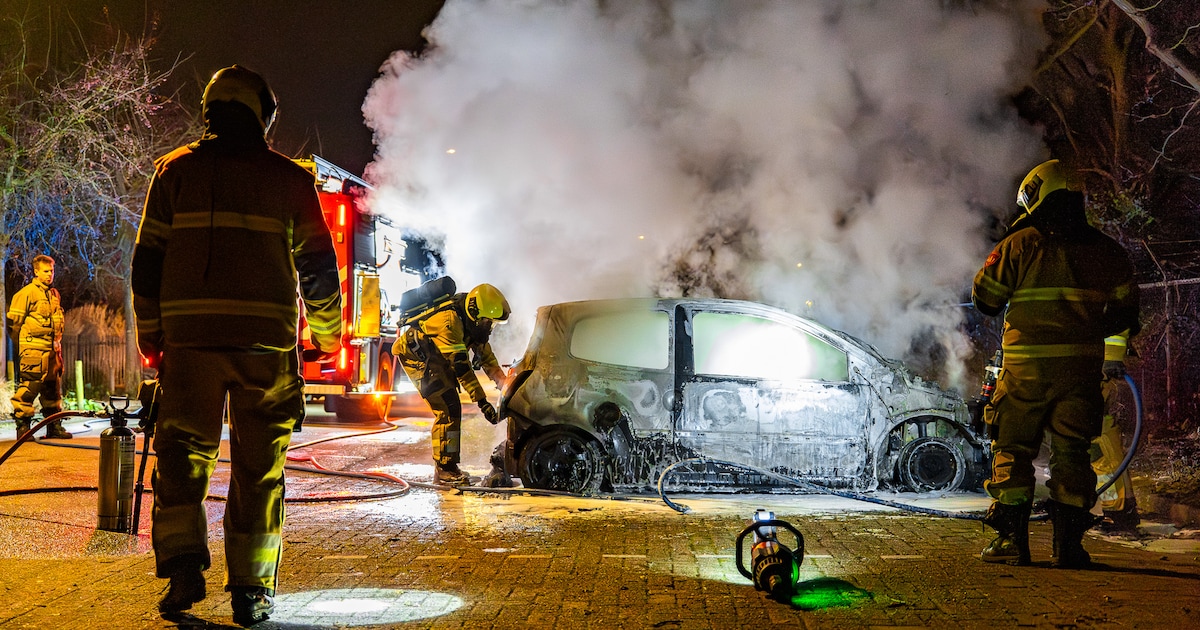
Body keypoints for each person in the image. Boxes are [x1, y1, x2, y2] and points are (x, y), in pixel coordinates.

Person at [132, 65, 342, 626]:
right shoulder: (290, 182)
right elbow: (319, 269)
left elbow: (145, 263)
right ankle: (250, 592)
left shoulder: (173, 174)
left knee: (181, 459)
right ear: (261, 114)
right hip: (265, 353)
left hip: (189, 349)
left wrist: (150, 334)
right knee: (259, 469)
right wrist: (325, 337)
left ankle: (181, 570)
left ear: (210, 110)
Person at [972, 159, 1140, 568]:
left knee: (1012, 449)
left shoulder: (1020, 244)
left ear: (1035, 196)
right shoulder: (1108, 253)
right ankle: (1068, 546)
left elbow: (985, 299)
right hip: (1080, 374)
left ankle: (1012, 541)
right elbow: (1124, 315)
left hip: (1026, 373)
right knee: (1072, 454)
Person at [394, 283, 509, 486]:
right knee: (448, 408)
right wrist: (482, 403)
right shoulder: (449, 322)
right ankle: (445, 469)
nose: (489, 327)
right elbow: (462, 367)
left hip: (436, 356)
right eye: (487, 322)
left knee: (451, 406)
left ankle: (447, 468)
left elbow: (487, 358)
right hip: (419, 359)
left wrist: (506, 385)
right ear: (474, 312)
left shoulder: (472, 323)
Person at [7, 254, 71, 440]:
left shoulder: (54, 295)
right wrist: (25, 346)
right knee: (29, 388)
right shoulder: (26, 294)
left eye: (52, 271)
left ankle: (54, 427)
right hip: (33, 352)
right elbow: (14, 324)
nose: (50, 274)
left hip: (53, 351)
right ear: (36, 272)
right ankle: (23, 429)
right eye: (46, 271)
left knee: (53, 389)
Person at [1092, 331, 1140, 532]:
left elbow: (1115, 312)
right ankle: (1122, 506)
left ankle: (1117, 508)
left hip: (1094, 365)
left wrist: (1111, 356)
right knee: (1098, 439)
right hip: (1087, 362)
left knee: (1099, 441)